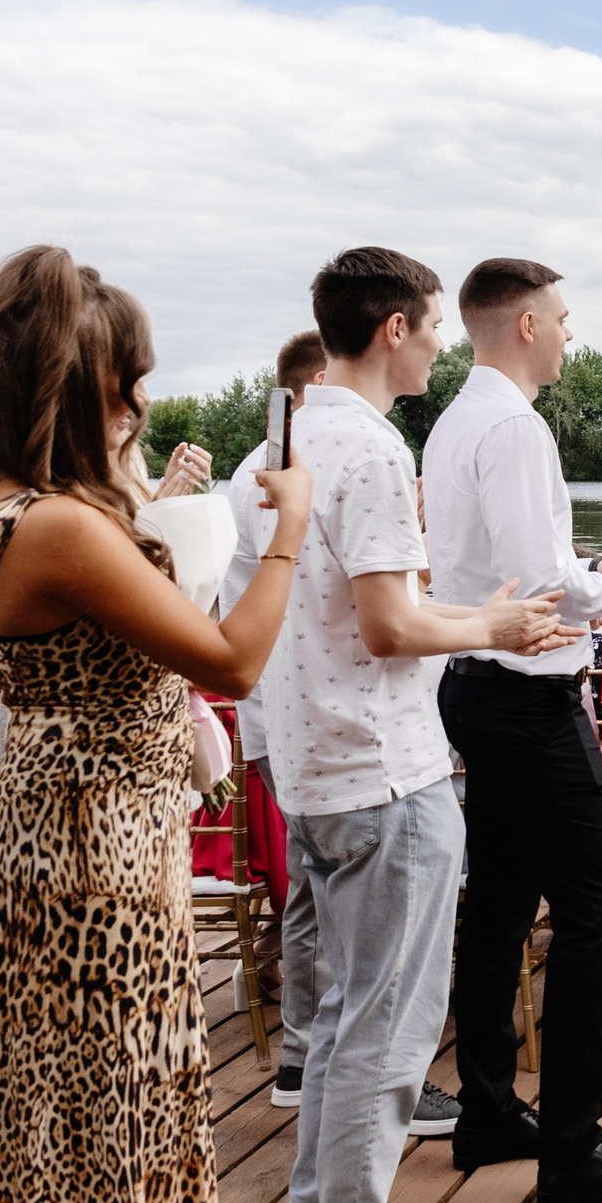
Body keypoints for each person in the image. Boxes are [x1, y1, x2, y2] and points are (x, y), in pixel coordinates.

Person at [0, 246, 312, 1203]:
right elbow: (232, 661)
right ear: (75, 382)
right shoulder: (56, 527)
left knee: (57, 1122)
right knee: (106, 1126)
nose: (142, 397)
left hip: (59, 826)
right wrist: (287, 527)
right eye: (129, 376)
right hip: (98, 853)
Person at [266, 249, 578, 1203]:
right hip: (384, 769)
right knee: (390, 1019)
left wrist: (475, 614)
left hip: (313, 762)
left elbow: (361, 606)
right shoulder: (370, 447)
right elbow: (389, 627)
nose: (441, 345)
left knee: (344, 1006)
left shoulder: (291, 432)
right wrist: (492, 628)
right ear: (393, 327)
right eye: (434, 325)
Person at [424, 256, 602, 1203]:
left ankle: (490, 1107)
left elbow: (509, 569)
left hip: (476, 684)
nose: (572, 334)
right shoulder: (515, 426)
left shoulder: (456, 421)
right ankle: (573, 1146)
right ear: (528, 324)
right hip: (528, 699)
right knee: (599, 904)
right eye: (564, 318)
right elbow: (538, 578)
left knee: (500, 901)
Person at [220, 330, 332, 1110]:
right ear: (318, 385)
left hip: (282, 711)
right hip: (289, 710)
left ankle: (304, 1056)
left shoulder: (269, 465)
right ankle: (313, 1058)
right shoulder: (274, 474)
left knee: (313, 886)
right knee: (323, 888)